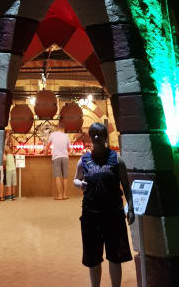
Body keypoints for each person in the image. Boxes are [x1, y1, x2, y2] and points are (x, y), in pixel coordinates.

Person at [73, 122, 135, 287]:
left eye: (99, 134)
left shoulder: (116, 159)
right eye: (93, 134)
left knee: (115, 256)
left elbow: (126, 185)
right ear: (89, 137)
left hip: (113, 214)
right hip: (90, 215)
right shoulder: (84, 160)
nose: (96, 137)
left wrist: (130, 208)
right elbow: (76, 179)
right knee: (93, 257)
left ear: (105, 137)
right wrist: (80, 184)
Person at [45, 119, 71, 199]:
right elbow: (69, 149)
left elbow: (48, 145)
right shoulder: (66, 136)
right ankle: (65, 195)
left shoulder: (53, 134)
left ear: (57, 127)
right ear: (63, 128)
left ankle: (60, 195)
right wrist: (66, 152)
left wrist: (46, 153)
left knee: (57, 176)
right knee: (65, 177)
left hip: (56, 157)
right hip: (65, 157)